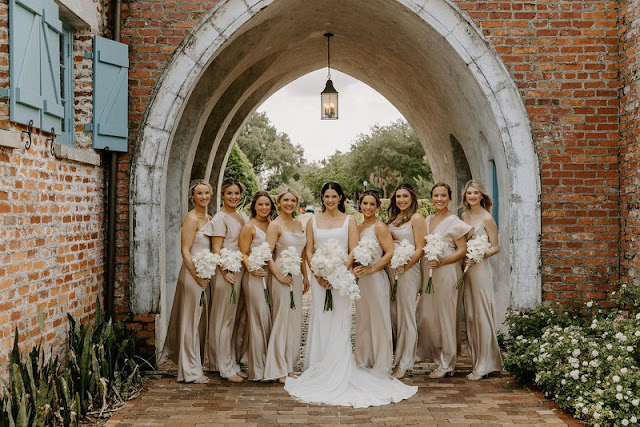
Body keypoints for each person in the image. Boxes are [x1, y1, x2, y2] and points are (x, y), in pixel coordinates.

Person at [284, 182, 417, 408]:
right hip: (319, 278)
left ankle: (341, 365)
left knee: (339, 320)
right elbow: (308, 249)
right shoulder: (313, 221)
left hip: (341, 278)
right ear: (322, 198)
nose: (330, 200)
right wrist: (317, 273)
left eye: (334, 196)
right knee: (320, 318)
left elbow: (353, 249)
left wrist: (340, 271)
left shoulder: (350, 221)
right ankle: (317, 365)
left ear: (340, 197)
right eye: (326, 196)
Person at [417, 182, 472, 378]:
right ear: (431, 198)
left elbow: (463, 250)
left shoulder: (454, 221)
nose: (439, 199)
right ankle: (435, 355)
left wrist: (442, 261)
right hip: (430, 273)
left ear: (449, 198)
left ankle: (448, 363)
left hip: (448, 271)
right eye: (436, 195)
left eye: (443, 195)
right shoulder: (427, 219)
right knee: (429, 316)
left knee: (447, 316)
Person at [161, 179, 213, 383]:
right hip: (192, 275)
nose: (204, 197)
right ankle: (189, 371)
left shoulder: (208, 217)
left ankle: (195, 364)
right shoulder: (191, 218)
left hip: (204, 273)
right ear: (192, 196)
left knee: (199, 322)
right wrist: (197, 275)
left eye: (207, 193)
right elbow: (185, 250)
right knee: (190, 321)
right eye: (199, 194)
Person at [204, 178, 249, 383]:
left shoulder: (242, 215)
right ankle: (224, 366)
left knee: (234, 318)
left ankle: (230, 361)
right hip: (226, 272)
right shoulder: (220, 218)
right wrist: (223, 271)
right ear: (222, 195)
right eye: (229, 193)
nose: (233, 197)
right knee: (224, 319)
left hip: (239, 270)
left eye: (236, 193)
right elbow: (216, 248)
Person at [263, 188, 309, 383]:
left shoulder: (298, 223)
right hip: (281, 277)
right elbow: (266, 254)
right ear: (279, 202)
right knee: (281, 320)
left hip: (296, 277)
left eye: (293, 200)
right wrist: (279, 276)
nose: (289, 203)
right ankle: (278, 368)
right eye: (286, 200)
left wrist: (305, 276)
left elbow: (302, 254)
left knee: (294, 320)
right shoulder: (275, 225)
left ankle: (289, 365)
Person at [460, 179, 503, 380]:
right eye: (469, 193)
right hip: (466, 270)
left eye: (476, 193)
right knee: (470, 316)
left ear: (482, 196)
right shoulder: (463, 216)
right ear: (465, 196)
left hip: (481, 269)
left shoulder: (487, 218)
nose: (472, 196)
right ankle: (477, 360)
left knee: (482, 314)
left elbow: (496, 246)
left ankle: (485, 364)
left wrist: (480, 255)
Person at [386, 183, 426, 379]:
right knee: (396, 314)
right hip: (393, 270)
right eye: (398, 197)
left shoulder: (416, 219)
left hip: (409, 270)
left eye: (405, 197)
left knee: (407, 315)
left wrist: (405, 266)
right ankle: (397, 358)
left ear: (412, 199)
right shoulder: (394, 219)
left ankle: (406, 363)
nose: (401, 200)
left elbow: (420, 248)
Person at [353, 190, 394, 374]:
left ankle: (381, 363)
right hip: (361, 281)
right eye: (365, 203)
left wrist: (372, 268)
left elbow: (390, 252)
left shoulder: (379, 227)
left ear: (377, 206)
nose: (368, 207)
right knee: (363, 320)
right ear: (359, 205)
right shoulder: (358, 228)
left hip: (376, 280)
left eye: (372, 204)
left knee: (379, 320)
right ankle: (363, 360)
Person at [238, 191, 275, 381]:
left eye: (267, 205)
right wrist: (251, 269)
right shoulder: (249, 227)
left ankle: (271, 365)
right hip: (254, 277)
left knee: (269, 320)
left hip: (271, 277)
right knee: (258, 321)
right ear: (254, 206)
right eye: (260, 204)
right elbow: (243, 252)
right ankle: (258, 369)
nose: (263, 208)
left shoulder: (273, 226)